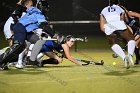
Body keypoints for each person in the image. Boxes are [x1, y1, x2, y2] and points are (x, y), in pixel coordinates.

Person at [0, 0, 54, 70]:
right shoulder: (37, 12)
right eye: (45, 8)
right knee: (17, 47)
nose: (46, 10)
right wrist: (54, 33)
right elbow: (45, 26)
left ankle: (30, 59)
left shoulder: (34, 11)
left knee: (38, 40)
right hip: (20, 28)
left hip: (26, 30)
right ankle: (2, 61)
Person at [100, 0, 136, 69]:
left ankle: (125, 58)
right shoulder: (120, 8)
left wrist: (109, 32)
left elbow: (102, 27)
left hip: (109, 26)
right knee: (131, 39)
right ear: (118, 3)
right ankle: (130, 55)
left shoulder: (103, 10)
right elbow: (122, 19)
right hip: (119, 23)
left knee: (112, 43)